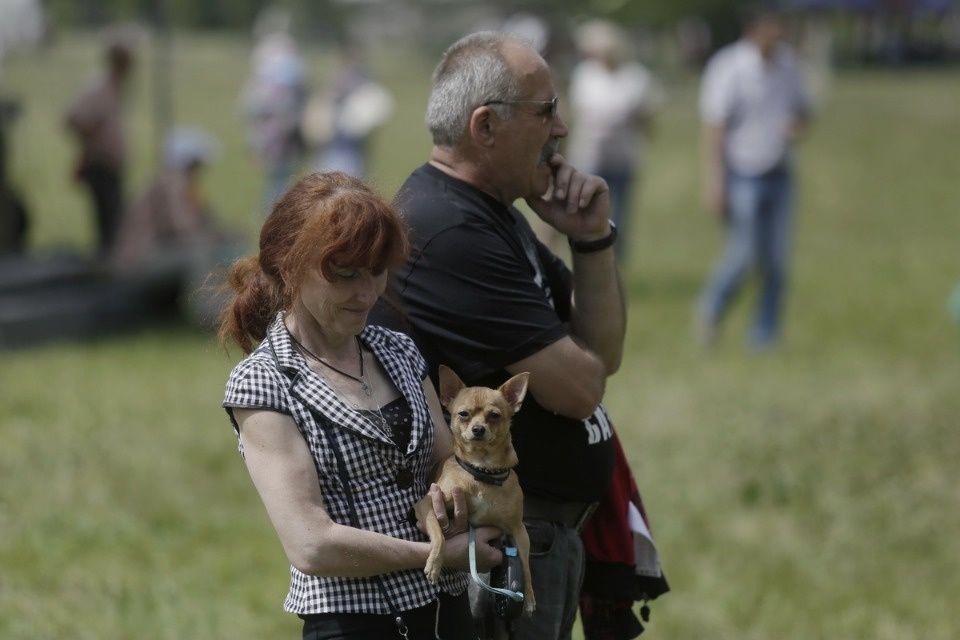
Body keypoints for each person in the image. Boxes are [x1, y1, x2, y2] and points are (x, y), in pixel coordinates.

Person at [380, 31, 664, 640]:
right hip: (507, 538)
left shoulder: (496, 215)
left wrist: (590, 239)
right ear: (485, 126)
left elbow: (604, 352)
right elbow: (580, 388)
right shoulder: (450, 234)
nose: (560, 129)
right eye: (547, 112)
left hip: (536, 534)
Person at [218, 170, 504, 639]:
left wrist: (452, 492)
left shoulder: (398, 349)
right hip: (354, 623)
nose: (369, 293)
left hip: (445, 612)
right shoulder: (262, 382)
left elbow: (441, 460)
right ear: (290, 267)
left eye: (377, 272)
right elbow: (312, 545)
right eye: (347, 276)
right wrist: (434, 554)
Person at [696, 4, 813, 350]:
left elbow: (804, 110)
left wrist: (798, 126)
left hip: (780, 173)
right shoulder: (729, 66)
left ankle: (764, 335)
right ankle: (711, 306)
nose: (781, 30)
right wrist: (715, 181)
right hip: (742, 174)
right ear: (755, 27)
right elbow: (714, 128)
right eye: (774, 23)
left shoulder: (789, 65)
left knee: (776, 260)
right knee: (743, 254)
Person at [565, 18, 664, 264]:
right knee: (585, 212)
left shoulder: (635, 78)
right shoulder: (585, 75)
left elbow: (646, 118)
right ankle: (585, 260)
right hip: (589, 156)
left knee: (618, 215)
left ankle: (612, 264)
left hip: (623, 156)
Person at [64, 26, 136, 257]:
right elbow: (74, 118)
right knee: (108, 223)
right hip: (100, 165)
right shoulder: (100, 87)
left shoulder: (115, 86)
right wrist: (91, 143)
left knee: (115, 222)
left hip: (111, 166)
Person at [110, 126, 222, 271]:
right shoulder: (174, 182)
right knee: (199, 255)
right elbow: (181, 226)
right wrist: (211, 239)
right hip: (140, 258)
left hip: (144, 253)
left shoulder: (170, 180)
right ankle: (208, 294)